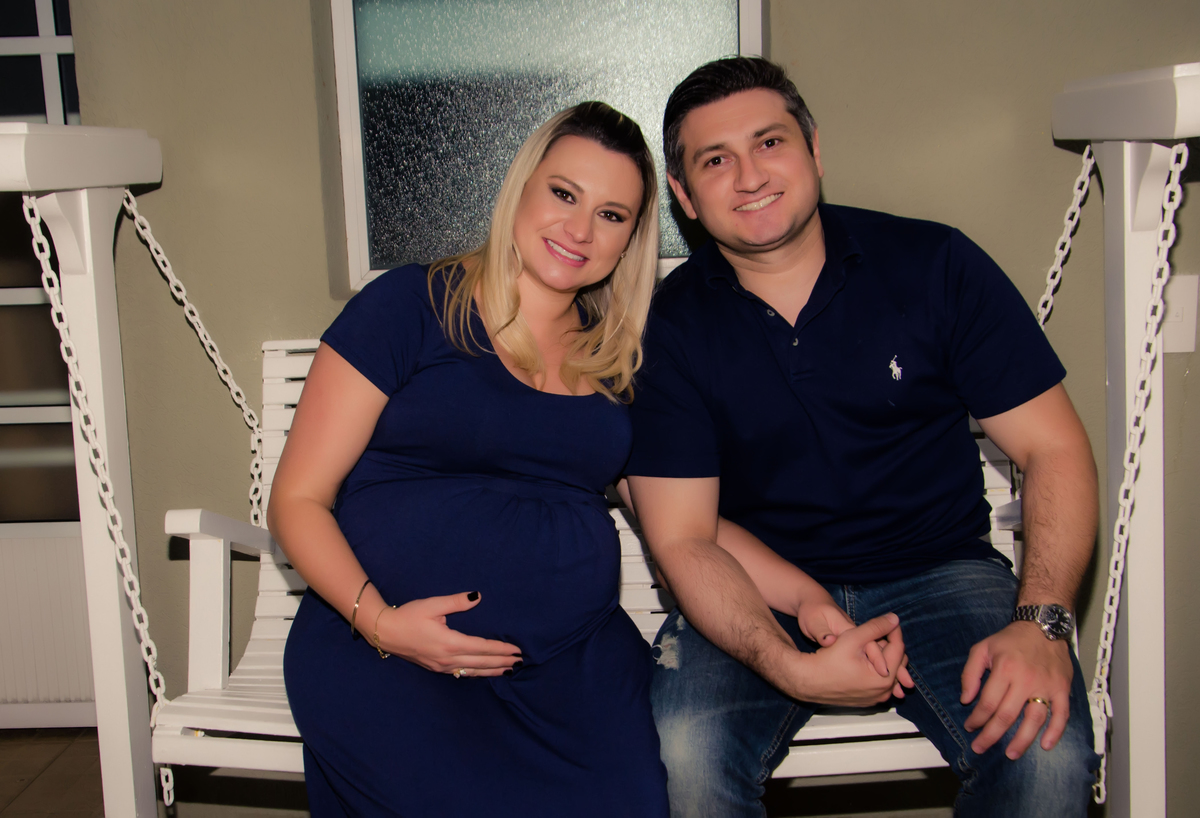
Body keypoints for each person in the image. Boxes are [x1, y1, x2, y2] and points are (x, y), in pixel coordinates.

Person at [625, 57, 1101, 817]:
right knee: (681, 757)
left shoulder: (935, 264)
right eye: (715, 160)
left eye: (770, 142)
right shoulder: (669, 326)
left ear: (814, 149)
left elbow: (1055, 448)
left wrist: (1042, 623)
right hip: (758, 589)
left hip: (942, 573)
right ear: (685, 196)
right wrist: (791, 663)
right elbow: (685, 540)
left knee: (1046, 754)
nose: (750, 175)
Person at [269, 101, 669, 817]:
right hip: (385, 649)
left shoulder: (620, 362)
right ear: (522, 187)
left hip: (572, 667)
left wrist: (803, 597)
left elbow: (681, 524)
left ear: (631, 239)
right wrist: (382, 624)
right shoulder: (410, 305)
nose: (580, 230)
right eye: (564, 194)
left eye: (611, 215)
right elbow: (297, 499)